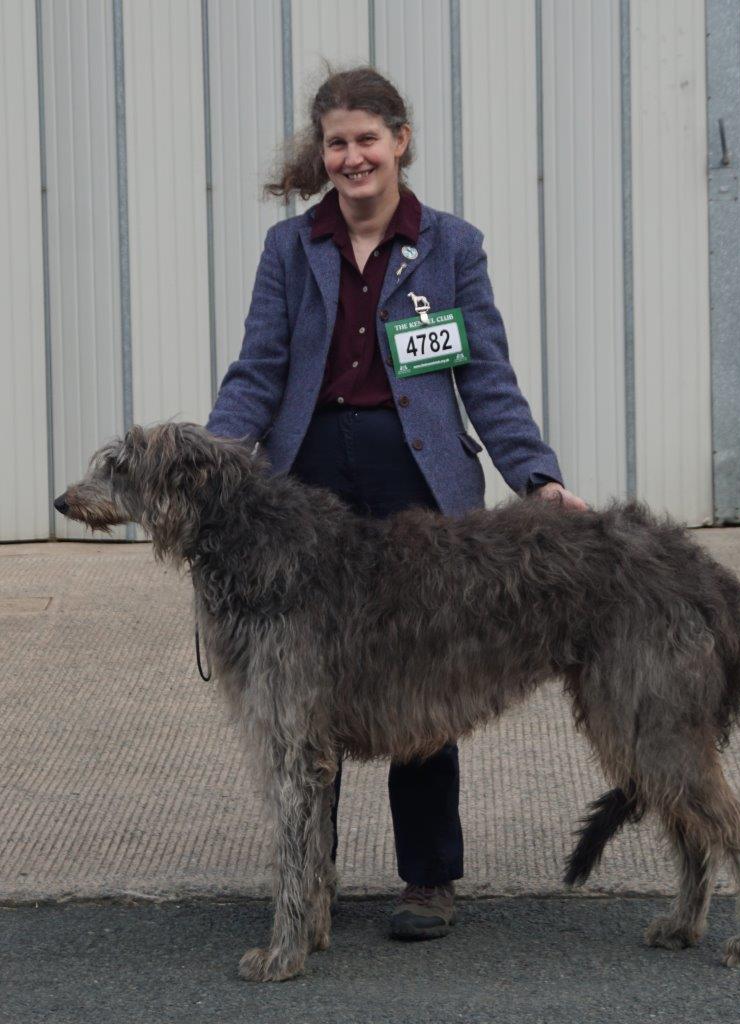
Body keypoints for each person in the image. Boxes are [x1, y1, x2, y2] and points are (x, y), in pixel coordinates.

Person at [206, 66, 586, 941]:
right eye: (336, 143)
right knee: (307, 693)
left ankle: (428, 879)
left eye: (367, 140)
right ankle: (314, 886)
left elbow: (485, 377)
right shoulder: (289, 249)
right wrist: (221, 463)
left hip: (420, 485)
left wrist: (537, 477)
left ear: (400, 142)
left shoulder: (450, 246)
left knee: (421, 684)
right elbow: (258, 372)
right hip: (306, 493)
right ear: (323, 152)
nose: (352, 157)